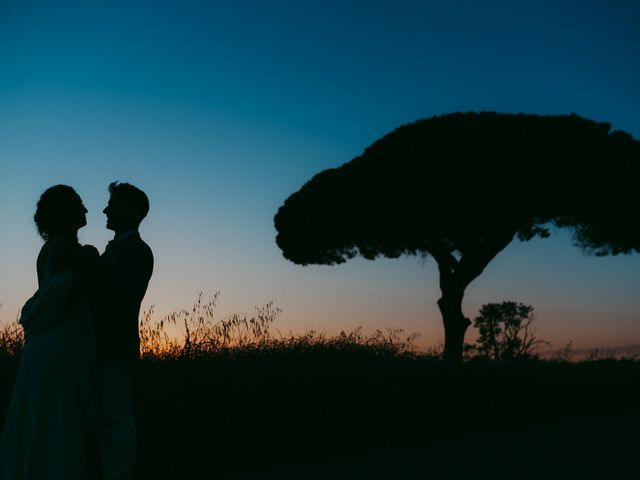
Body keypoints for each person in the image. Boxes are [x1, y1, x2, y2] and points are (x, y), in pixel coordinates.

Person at [0, 185, 99, 479]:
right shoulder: (65, 248)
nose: (86, 210)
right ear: (66, 212)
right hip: (59, 345)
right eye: (79, 205)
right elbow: (66, 291)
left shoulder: (49, 248)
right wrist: (94, 263)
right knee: (58, 417)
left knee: (38, 416)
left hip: (40, 348)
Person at [90, 181, 153, 480]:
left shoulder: (139, 251)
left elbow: (123, 294)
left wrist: (94, 271)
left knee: (116, 417)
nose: (105, 209)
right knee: (103, 419)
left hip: (115, 345)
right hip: (99, 345)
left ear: (131, 211)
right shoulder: (116, 249)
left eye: (113, 205)